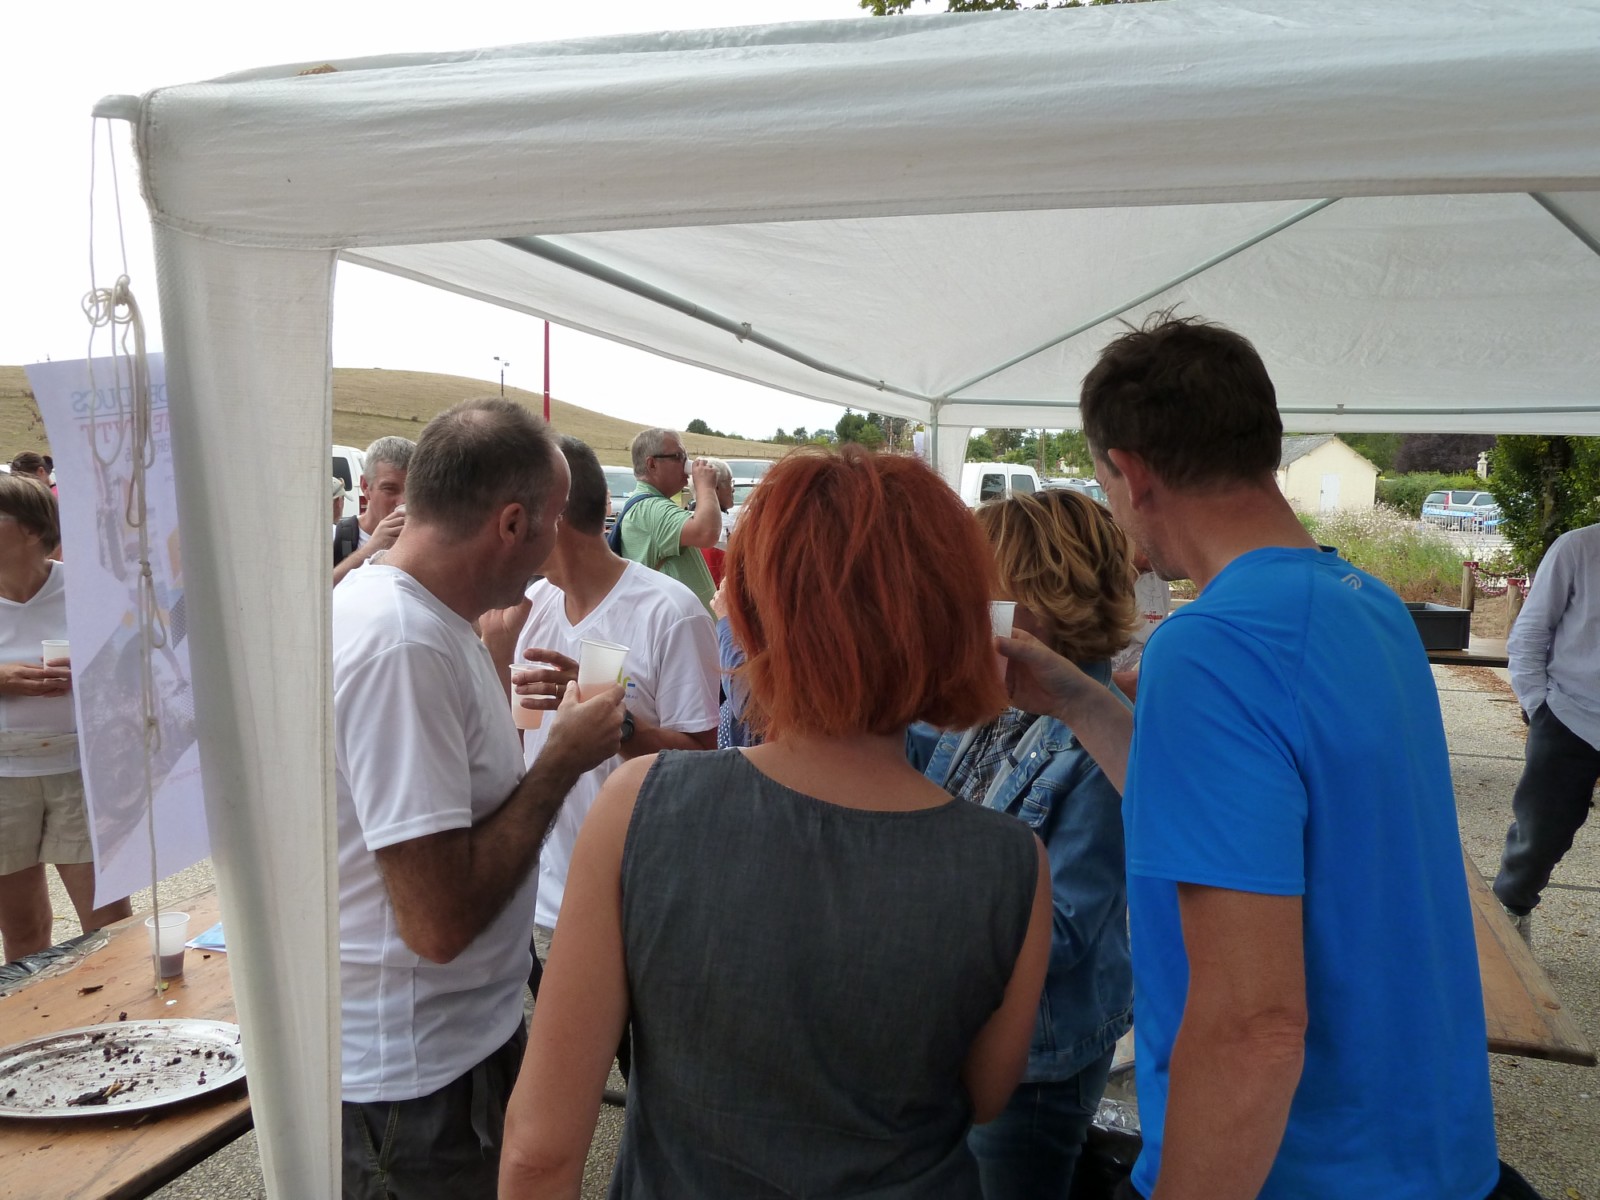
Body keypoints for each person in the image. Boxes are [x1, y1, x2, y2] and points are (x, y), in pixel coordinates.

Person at [998, 315, 1521, 1200]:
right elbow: (1243, 827)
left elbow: (1253, 1025)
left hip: (1298, 1170)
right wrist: (1078, 700)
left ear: (1131, 471)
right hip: (1430, 1153)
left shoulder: (1212, 645)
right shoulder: (1369, 604)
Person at [499, 445, 1053, 1198]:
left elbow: (538, 1151)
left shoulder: (641, 804)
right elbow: (982, 1095)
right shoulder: (1011, 864)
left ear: (754, 620)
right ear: (956, 622)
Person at [333, 399, 624, 1199]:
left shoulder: (428, 620)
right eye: (553, 522)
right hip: (414, 1085)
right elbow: (438, 921)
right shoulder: (402, 645)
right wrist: (560, 762)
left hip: (448, 1050)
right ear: (511, 523)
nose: (555, 545)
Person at [913, 488, 1135, 1200]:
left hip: (1039, 1061)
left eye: (982, 594)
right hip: (970, 1032)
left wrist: (912, 910)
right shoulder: (1003, 704)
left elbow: (1061, 932)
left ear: (1042, 602)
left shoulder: (1103, 742)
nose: (964, 610)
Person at [491, 434, 719, 933]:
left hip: (635, 904)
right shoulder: (532, 607)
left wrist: (617, 722)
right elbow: (516, 746)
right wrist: (494, 653)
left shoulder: (671, 612)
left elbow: (702, 766)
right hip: (541, 898)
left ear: (554, 516)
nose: (501, 529)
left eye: (512, 514)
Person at [0, 475, 130, 962]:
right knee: (24, 930)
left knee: (109, 926)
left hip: (83, 769)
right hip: (4, 775)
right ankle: (36, 1010)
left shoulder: (89, 589)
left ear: (32, 530)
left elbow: (144, 663)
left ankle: (115, 1008)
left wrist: (97, 670)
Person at [1493, 520, 1600, 945]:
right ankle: (1510, 917)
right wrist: (1539, 706)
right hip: (1571, 715)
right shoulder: (1578, 548)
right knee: (1539, 838)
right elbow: (1531, 631)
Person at [611, 428, 720, 613]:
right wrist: (705, 487)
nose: (687, 464)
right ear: (652, 464)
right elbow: (706, 532)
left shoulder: (649, 505)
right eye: (679, 456)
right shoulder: (649, 508)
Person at [332, 435, 414, 587]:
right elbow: (315, 594)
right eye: (390, 489)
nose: (403, 501)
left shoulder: (426, 542)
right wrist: (371, 549)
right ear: (365, 487)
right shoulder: (336, 538)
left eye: (412, 490)